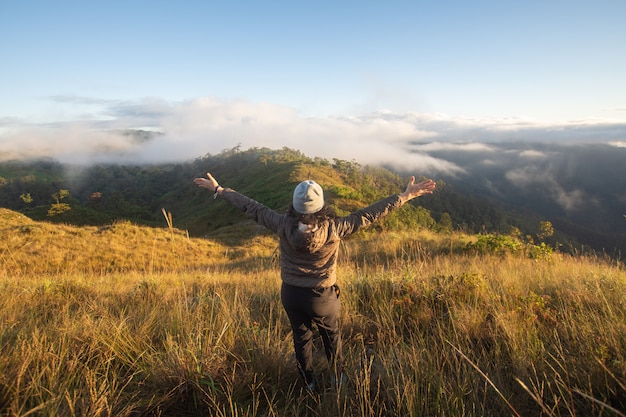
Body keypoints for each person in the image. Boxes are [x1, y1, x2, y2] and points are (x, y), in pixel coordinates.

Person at [193, 172, 436, 391]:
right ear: (321, 206)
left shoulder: (282, 224)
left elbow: (252, 207)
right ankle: (338, 378)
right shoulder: (335, 228)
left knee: (302, 339)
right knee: (331, 337)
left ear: (295, 206)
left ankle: (308, 382)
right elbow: (369, 214)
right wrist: (403, 197)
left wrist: (219, 190)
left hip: (291, 294)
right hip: (323, 297)